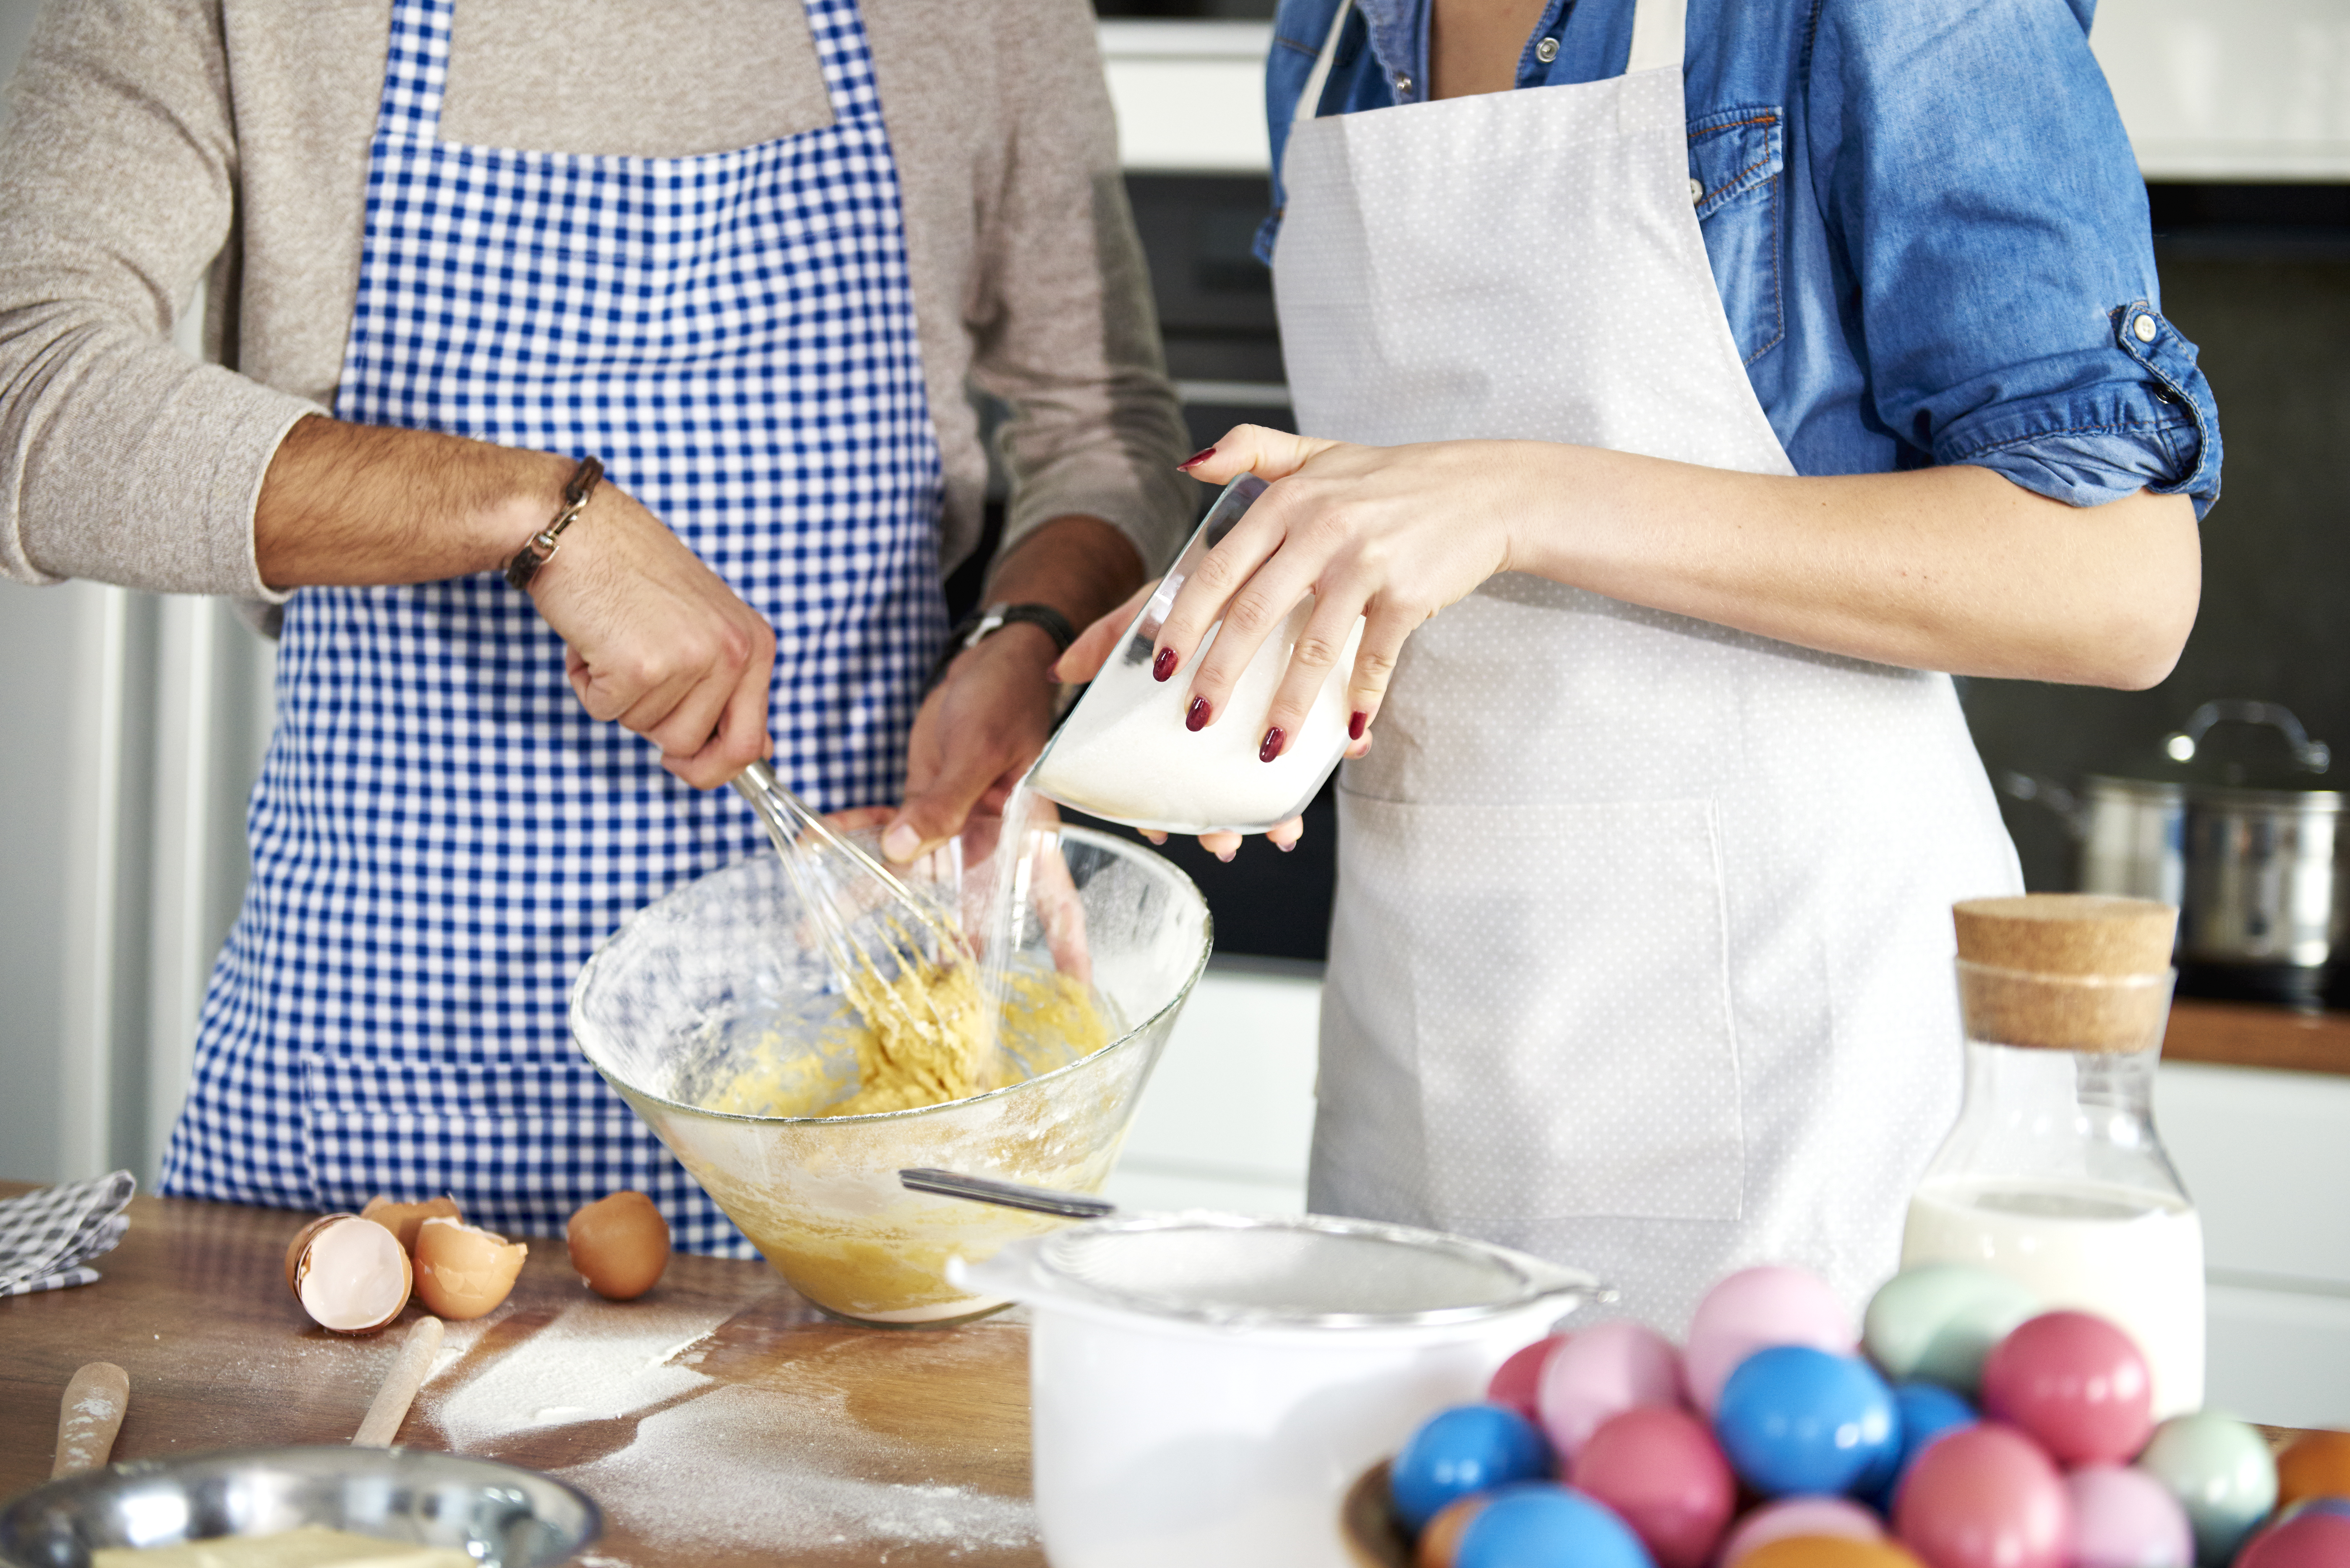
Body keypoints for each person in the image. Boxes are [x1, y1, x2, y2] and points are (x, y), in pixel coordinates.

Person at [1058, 0, 2217, 1325]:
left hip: (1803, 1089)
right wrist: (1271, 624)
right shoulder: (1333, 32)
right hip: (1421, 1066)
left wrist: (1521, 497)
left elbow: (2122, 584)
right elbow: (1427, 524)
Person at [0, 0, 1190, 1250]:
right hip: (376, 1115)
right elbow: (23, 380)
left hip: (856, 1105)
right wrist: (536, 509)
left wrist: (1022, 633)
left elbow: (1103, 420)